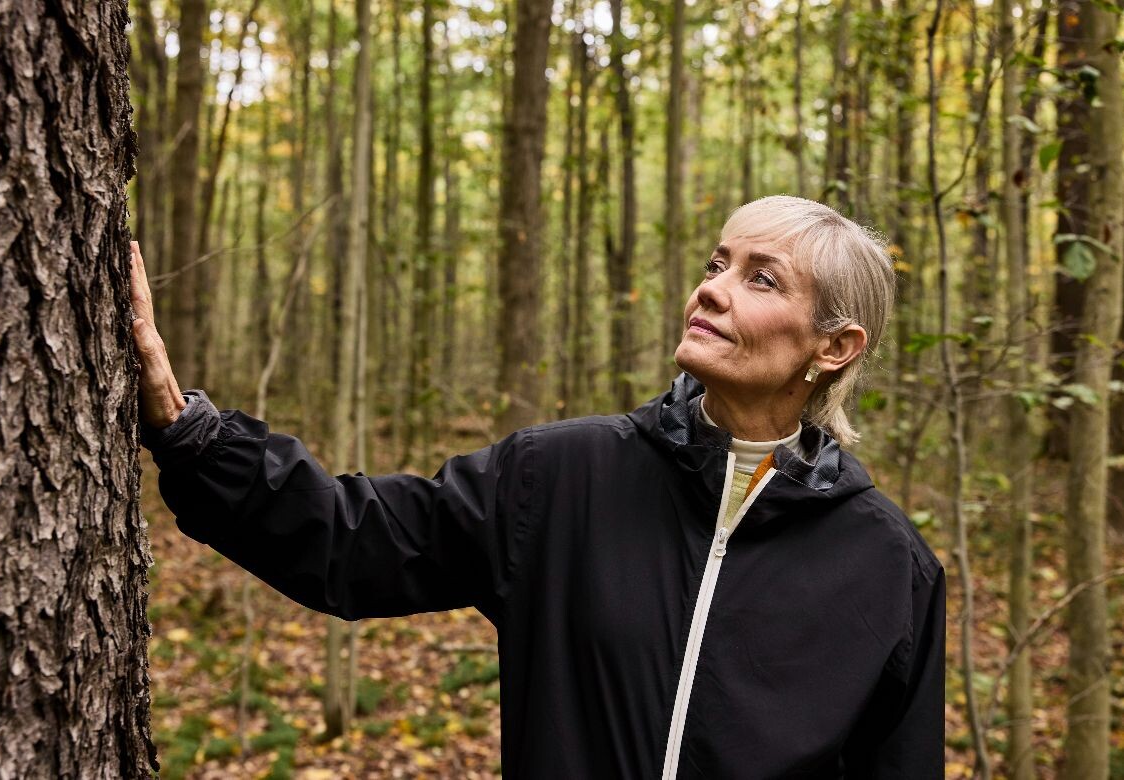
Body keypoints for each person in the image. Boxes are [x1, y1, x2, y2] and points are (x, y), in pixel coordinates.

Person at [134, 195, 945, 779]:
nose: (711, 288)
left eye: (761, 279)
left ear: (834, 347)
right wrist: (191, 433)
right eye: (716, 263)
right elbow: (351, 542)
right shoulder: (560, 477)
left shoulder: (888, 567)